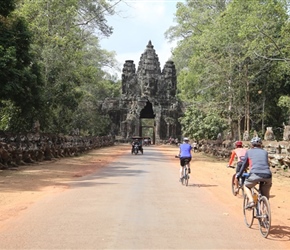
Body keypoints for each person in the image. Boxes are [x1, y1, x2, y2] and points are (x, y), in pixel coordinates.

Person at [236, 137, 272, 208]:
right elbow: (267, 164)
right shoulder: (265, 152)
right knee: (265, 194)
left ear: (252, 145)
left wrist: (239, 174)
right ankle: (265, 210)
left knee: (246, 185)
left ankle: (251, 201)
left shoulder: (249, 152)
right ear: (261, 145)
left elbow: (244, 165)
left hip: (255, 174)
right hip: (267, 175)